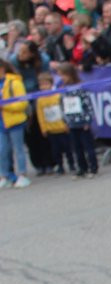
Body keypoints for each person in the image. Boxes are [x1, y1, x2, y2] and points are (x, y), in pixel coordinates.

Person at [56, 61, 98, 178]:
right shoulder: (63, 89)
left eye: (63, 75)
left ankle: (93, 168)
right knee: (77, 148)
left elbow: (87, 104)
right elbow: (62, 106)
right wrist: (65, 121)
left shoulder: (80, 87)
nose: (62, 78)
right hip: (72, 123)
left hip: (82, 122)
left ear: (70, 74)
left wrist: (87, 120)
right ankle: (81, 168)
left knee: (88, 147)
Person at [0, 58, 31, 188]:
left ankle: (22, 175)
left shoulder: (15, 82)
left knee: (18, 149)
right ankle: (5, 176)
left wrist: (6, 107)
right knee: (2, 150)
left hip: (15, 121)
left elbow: (23, 102)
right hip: (1, 123)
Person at [35, 70, 74, 175]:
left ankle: (72, 164)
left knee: (68, 148)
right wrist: (43, 128)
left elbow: (64, 110)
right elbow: (40, 115)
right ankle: (60, 166)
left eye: (46, 84)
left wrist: (66, 123)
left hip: (62, 127)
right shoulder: (40, 100)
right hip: (51, 129)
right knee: (56, 151)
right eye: (41, 85)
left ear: (51, 84)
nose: (43, 87)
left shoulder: (58, 95)